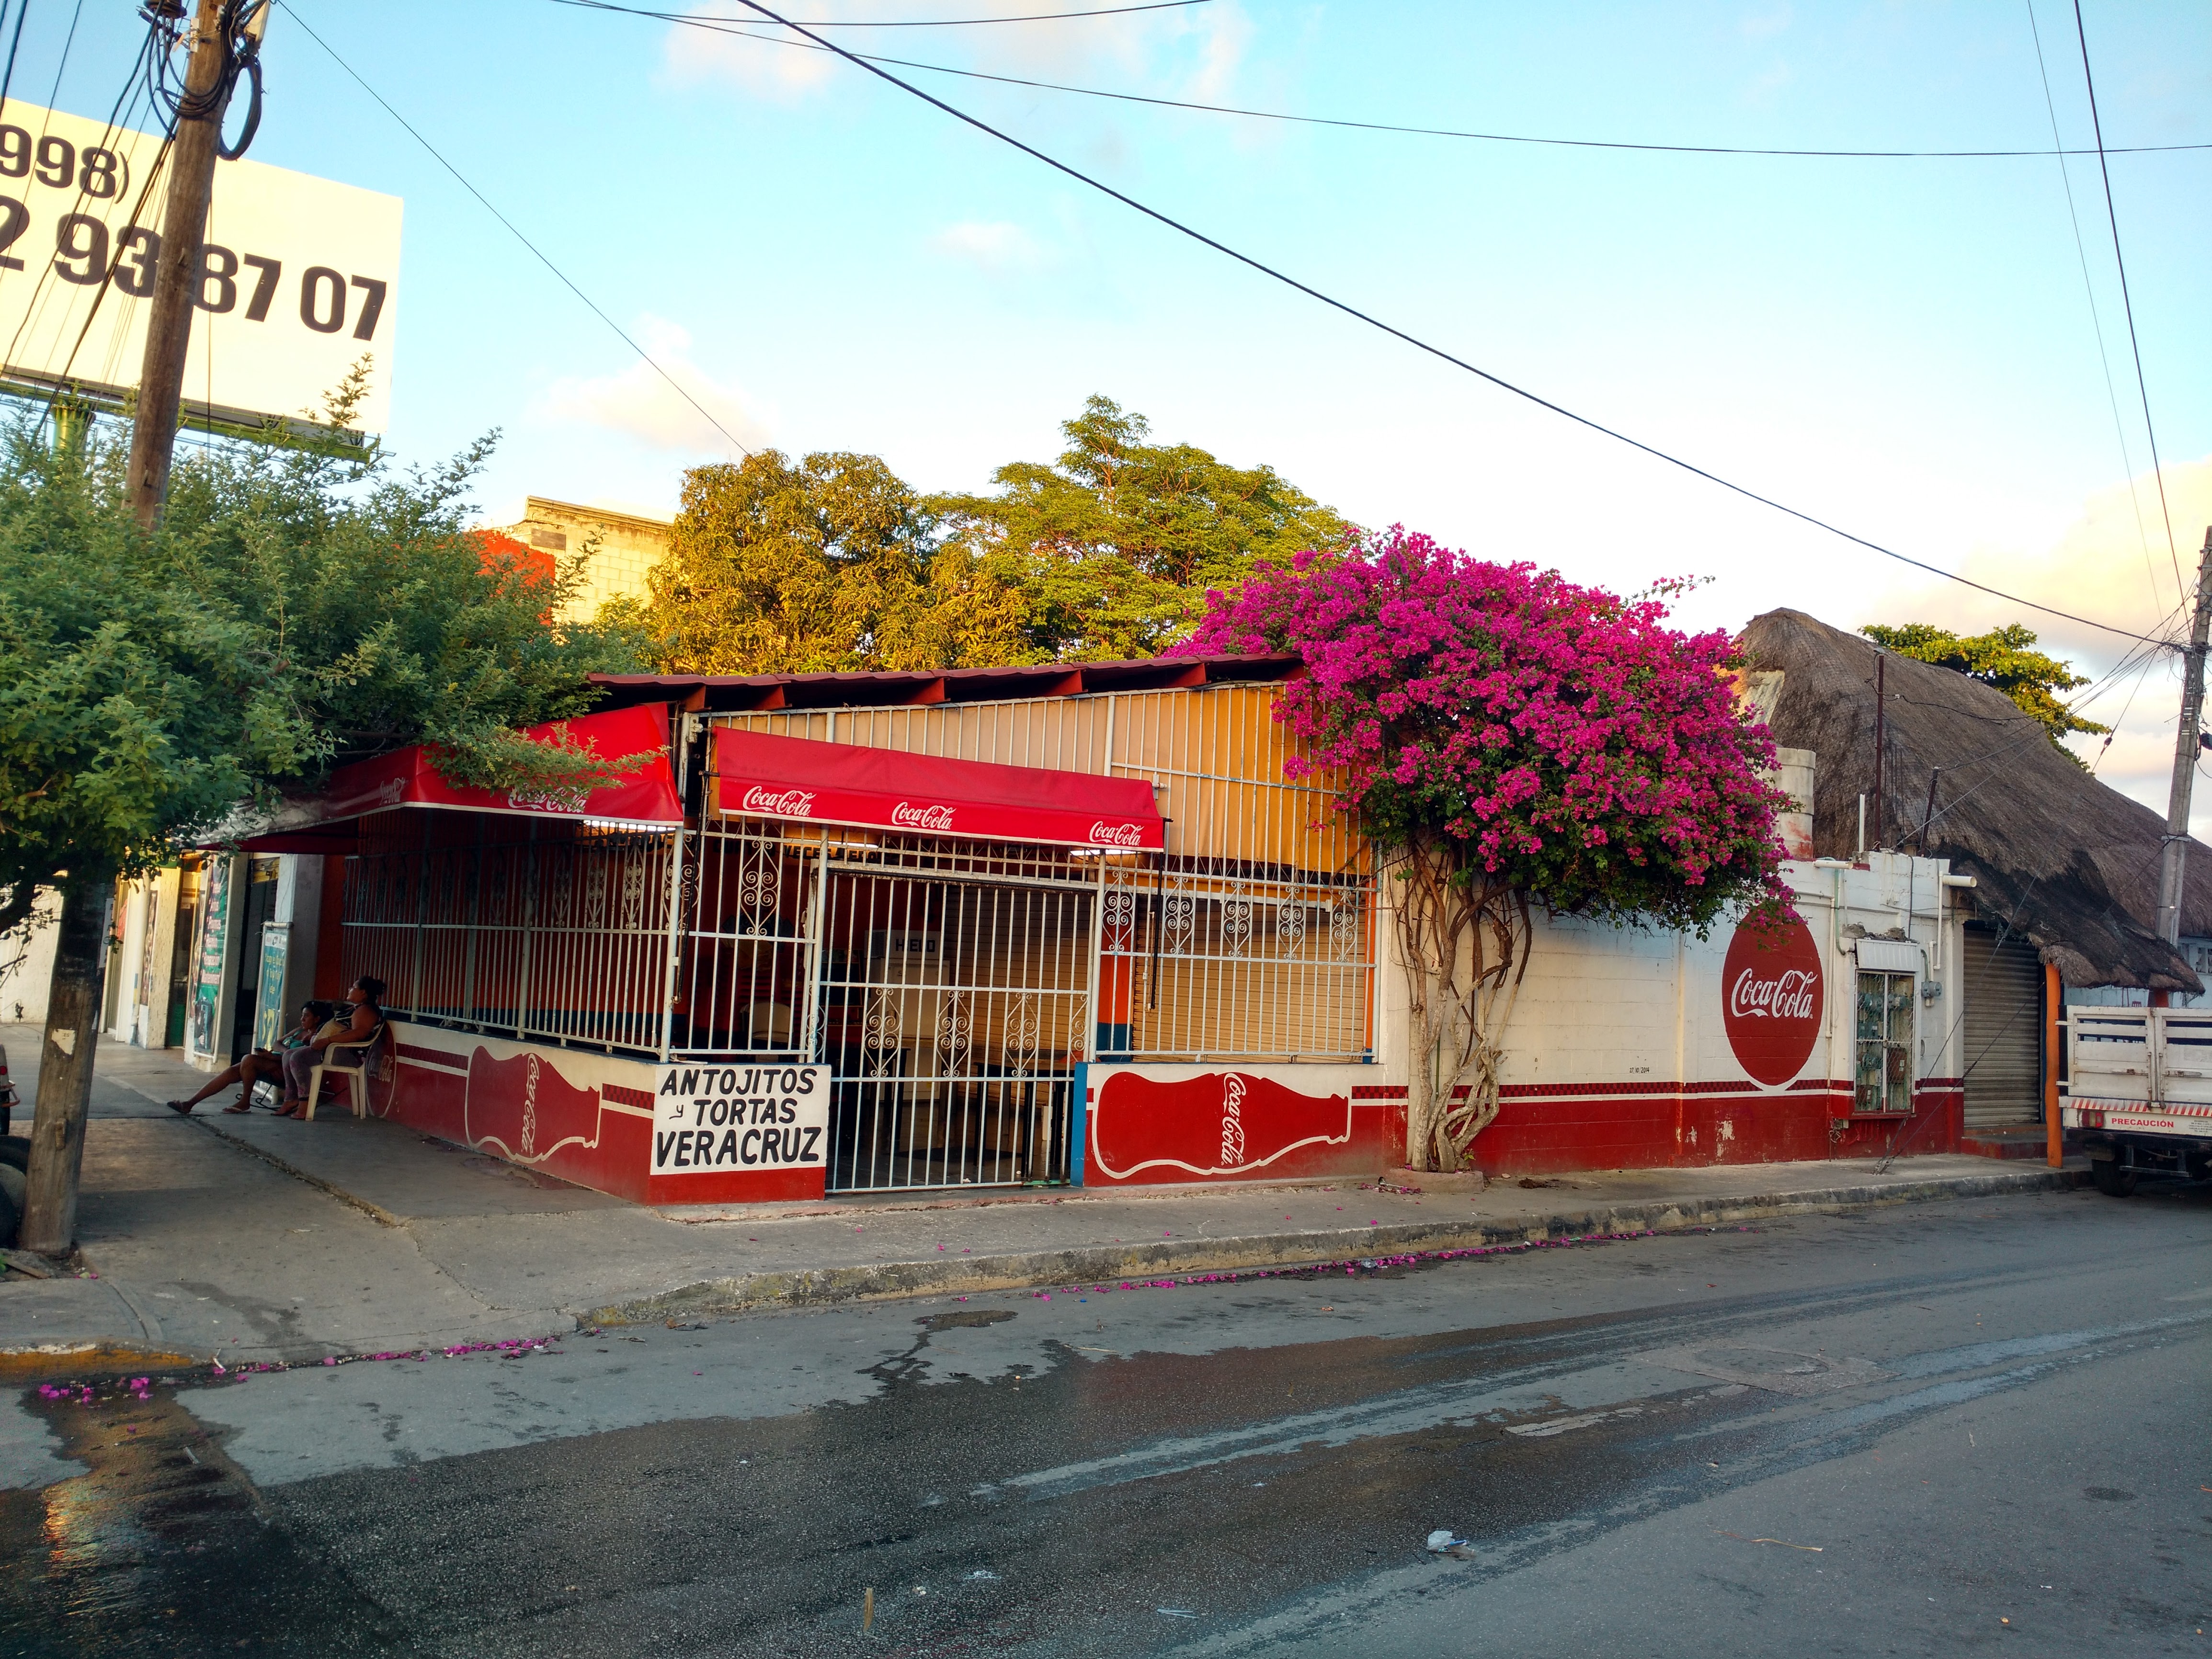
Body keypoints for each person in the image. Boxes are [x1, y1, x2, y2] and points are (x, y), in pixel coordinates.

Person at [166, 1000, 339, 1116]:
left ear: (317, 1019)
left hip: (290, 1074)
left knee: (248, 1060)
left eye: (306, 1016)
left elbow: (298, 1059)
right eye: (302, 1015)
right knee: (234, 1071)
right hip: (274, 1064)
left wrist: (274, 1057)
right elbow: (277, 1043)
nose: (302, 1019)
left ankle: (245, 1101)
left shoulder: (315, 1037)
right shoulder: (299, 1031)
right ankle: (190, 1103)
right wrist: (278, 1053)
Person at [275, 977, 387, 1119]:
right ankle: (291, 1099)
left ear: (363, 992)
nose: (350, 989)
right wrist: (317, 1036)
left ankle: (304, 1104)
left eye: (354, 987)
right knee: (288, 1055)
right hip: (334, 1050)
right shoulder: (356, 1008)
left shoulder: (366, 1011)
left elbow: (359, 1034)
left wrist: (327, 1040)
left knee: (298, 1058)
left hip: (348, 1055)